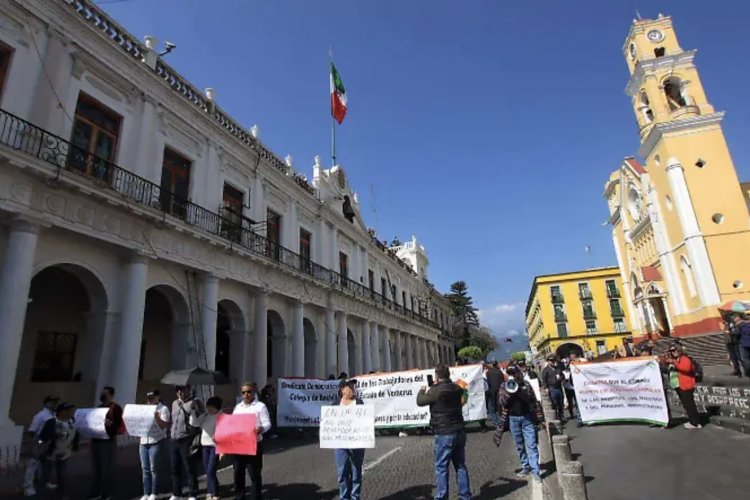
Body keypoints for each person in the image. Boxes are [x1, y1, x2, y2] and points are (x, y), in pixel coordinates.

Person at [416, 364, 471, 500]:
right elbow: (463, 399)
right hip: (459, 430)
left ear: (437, 376)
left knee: (441, 467)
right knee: (460, 465)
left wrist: (422, 390)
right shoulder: (457, 388)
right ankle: (465, 496)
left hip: (444, 431)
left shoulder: (436, 390)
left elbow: (420, 401)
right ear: (448, 374)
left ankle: (441, 497)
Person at [492, 367, 544, 483]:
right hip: (512, 419)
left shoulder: (525, 384)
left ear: (517, 374)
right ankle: (526, 466)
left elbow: (532, 400)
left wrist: (519, 389)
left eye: (513, 373)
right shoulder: (503, 386)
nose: (512, 375)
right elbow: (502, 402)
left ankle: (536, 472)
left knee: (531, 445)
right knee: (519, 445)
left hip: (527, 418)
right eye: (509, 373)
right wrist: (509, 392)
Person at [232, 382, 272, 500]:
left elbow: (267, 423)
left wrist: (262, 428)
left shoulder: (260, 406)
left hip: (254, 444)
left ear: (254, 392)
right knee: (238, 473)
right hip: (239, 445)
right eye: (243, 392)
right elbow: (232, 424)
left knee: (254, 474)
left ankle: (256, 497)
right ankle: (239, 496)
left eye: (249, 392)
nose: (246, 394)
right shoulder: (238, 407)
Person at [170, 385, 205, 500]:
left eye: (182, 389)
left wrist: (195, 411)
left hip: (187, 439)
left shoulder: (195, 402)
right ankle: (177, 493)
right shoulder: (175, 403)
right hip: (174, 438)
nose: (180, 392)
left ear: (188, 390)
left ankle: (192, 493)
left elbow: (201, 419)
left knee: (189, 467)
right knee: (175, 467)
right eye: (178, 390)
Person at [37, 403, 79, 500]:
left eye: (71, 411)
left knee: (63, 476)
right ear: (62, 412)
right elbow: (43, 437)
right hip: (50, 454)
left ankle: (63, 494)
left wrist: (74, 447)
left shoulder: (72, 423)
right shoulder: (52, 422)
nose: (70, 413)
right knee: (45, 476)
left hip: (65, 454)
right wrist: (51, 437)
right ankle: (40, 495)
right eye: (68, 410)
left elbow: (75, 436)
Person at [88, 386, 124, 500]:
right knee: (97, 468)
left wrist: (110, 424)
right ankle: (96, 492)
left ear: (111, 395)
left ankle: (106, 493)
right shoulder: (98, 408)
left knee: (107, 469)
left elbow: (119, 426)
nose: (102, 396)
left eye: (105, 394)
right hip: (96, 441)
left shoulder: (116, 408)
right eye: (102, 393)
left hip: (107, 442)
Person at [333, 379, 365, 500]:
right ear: (342, 390)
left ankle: (355, 497)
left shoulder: (359, 403)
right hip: (340, 445)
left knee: (356, 473)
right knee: (342, 473)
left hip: (357, 444)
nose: (353, 389)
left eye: (353, 387)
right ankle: (344, 497)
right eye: (350, 387)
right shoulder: (335, 404)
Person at [23, 395, 59, 496]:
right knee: (33, 465)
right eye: (52, 402)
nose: (54, 404)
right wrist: (35, 443)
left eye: (55, 402)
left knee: (47, 465)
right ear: (46, 403)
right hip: (40, 442)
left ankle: (45, 482)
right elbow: (32, 431)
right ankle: (28, 486)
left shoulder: (53, 415)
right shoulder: (40, 416)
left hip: (50, 443)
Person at [139, 389, 170, 500]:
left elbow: (164, 425)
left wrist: (156, 417)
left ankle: (154, 493)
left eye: (152, 398)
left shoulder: (163, 409)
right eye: (148, 399)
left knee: (154, 469)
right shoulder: (144, 409)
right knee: (145, 468)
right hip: (143, 441)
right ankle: (146, 493)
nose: (150, 400)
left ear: (158, 397)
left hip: (156, 441)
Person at [191, 396, 223, 500]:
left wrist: (218, 437)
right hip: (204, 446)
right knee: (207, 470)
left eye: (211, 406)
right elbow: (194, 423)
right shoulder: (205, 415)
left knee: (211, 469)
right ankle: (210, 491)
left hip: (215, 446)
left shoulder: (221, 416)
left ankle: (215, 493)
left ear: (217, 407)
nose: (209, 408)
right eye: (208, 406)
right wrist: (192, 410)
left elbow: (225, 430)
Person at [666, 344, 701, 429]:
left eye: (674, 350)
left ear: (679, 350)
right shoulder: (677, 359)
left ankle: (695, 422)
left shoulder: (685, 358)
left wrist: (674, 362)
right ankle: (693, 420)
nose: (673, 352)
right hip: (680, 385)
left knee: (689, 404)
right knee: (686, 404)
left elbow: (685, 369)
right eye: (671, 351)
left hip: (686, 384)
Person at [541, 356, 565, 421]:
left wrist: (561, 378)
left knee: (561, 402)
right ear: (548, 361)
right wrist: (546, 388)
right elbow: (544, 380)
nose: (552, 362)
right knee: (554, 403)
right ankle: (556, 417)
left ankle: (561, 416)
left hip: (559, 387)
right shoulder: (545, 370)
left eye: (553, 361)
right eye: (551, 361)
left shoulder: (557, 369)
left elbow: (563, 376)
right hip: (552, 388)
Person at [562, 355, 582, 426]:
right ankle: (572, 414)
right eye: (571, 358)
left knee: (578, 403)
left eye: (574, 357)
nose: (572, 359)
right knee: (570, 402)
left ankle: (580, 418)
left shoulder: (580, 364)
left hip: (578, 387)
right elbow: (564, 374)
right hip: (569, 387)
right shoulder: (568, 365)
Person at [485, 362, 504, 427]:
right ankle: (500, 422)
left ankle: (496, 422)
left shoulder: (488, 372)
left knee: (491, 408)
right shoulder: (499, 372)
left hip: (491, 392)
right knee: (499, 408)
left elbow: (487, 383)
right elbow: (502, 382)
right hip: (499, 392)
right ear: (496, 365)